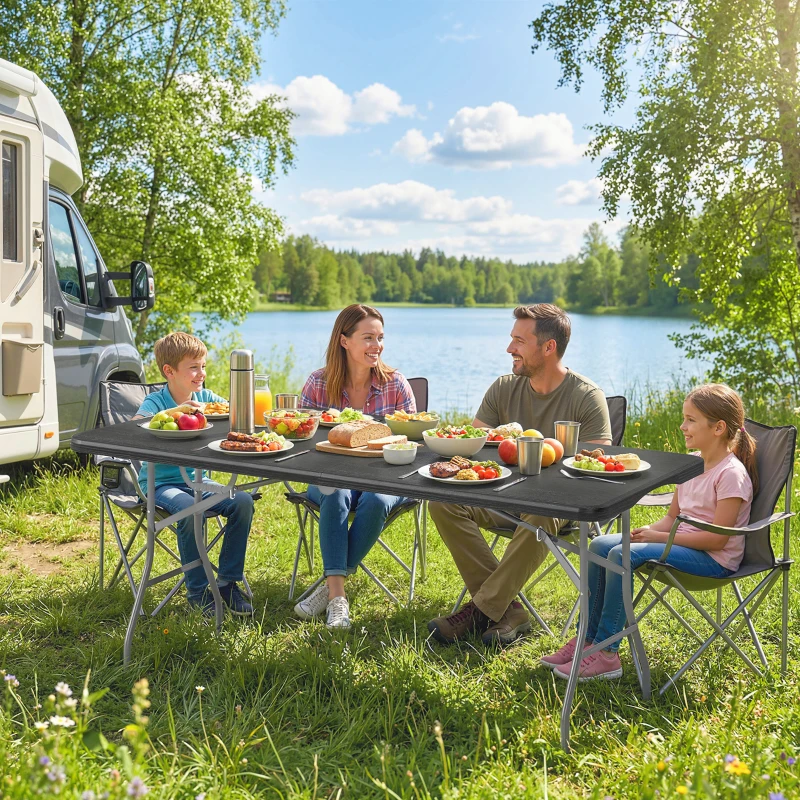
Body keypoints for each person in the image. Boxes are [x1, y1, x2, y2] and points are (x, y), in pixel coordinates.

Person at [541, 383, 757, 680]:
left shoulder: (731, 475)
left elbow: (718, 539)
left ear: (718, 427)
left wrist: (659, 538)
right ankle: (587, 641)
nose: (682, 426)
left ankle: (607, 653)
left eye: (691, 420)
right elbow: (672, 518)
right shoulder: (692, 465)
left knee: (621, 555)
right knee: (600, 545)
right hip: (682, 545)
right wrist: (649, 531)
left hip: (713, 559)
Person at [427, 303, 612, 647]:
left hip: (555, 510)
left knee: (543, 510)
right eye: (511, 339)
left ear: (548, 347)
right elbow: (475, 451)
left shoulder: (586, 397)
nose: (509, 348)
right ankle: (507, 610)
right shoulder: (503, 388)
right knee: (443, 501)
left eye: (519, 341)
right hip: (500, 499)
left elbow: (595, 468)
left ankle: (480, 610)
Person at [294, 304, 416, 629]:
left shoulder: (396, 385)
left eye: (380, 337)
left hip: (386, 478)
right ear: (344, 341)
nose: (376, 345)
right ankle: (338, 599)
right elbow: (303, 441)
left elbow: (410, 443)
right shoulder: (318, 384)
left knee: (376, 500)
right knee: (334, 493)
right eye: (368, 337)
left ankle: (330, 587)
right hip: (327, 474)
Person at [133, 332, 255, 616]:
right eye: (194, 367)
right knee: (190, 509)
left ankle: (226, 582)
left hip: (201, 481)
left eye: (203, 366)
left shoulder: (206, 398)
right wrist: (178, 411)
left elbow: (232, 411)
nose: (201, 374)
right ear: (169, 371)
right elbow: (134, 426)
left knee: (243, 502)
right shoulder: (156, 402)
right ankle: (198, 592)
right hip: (161, 484)